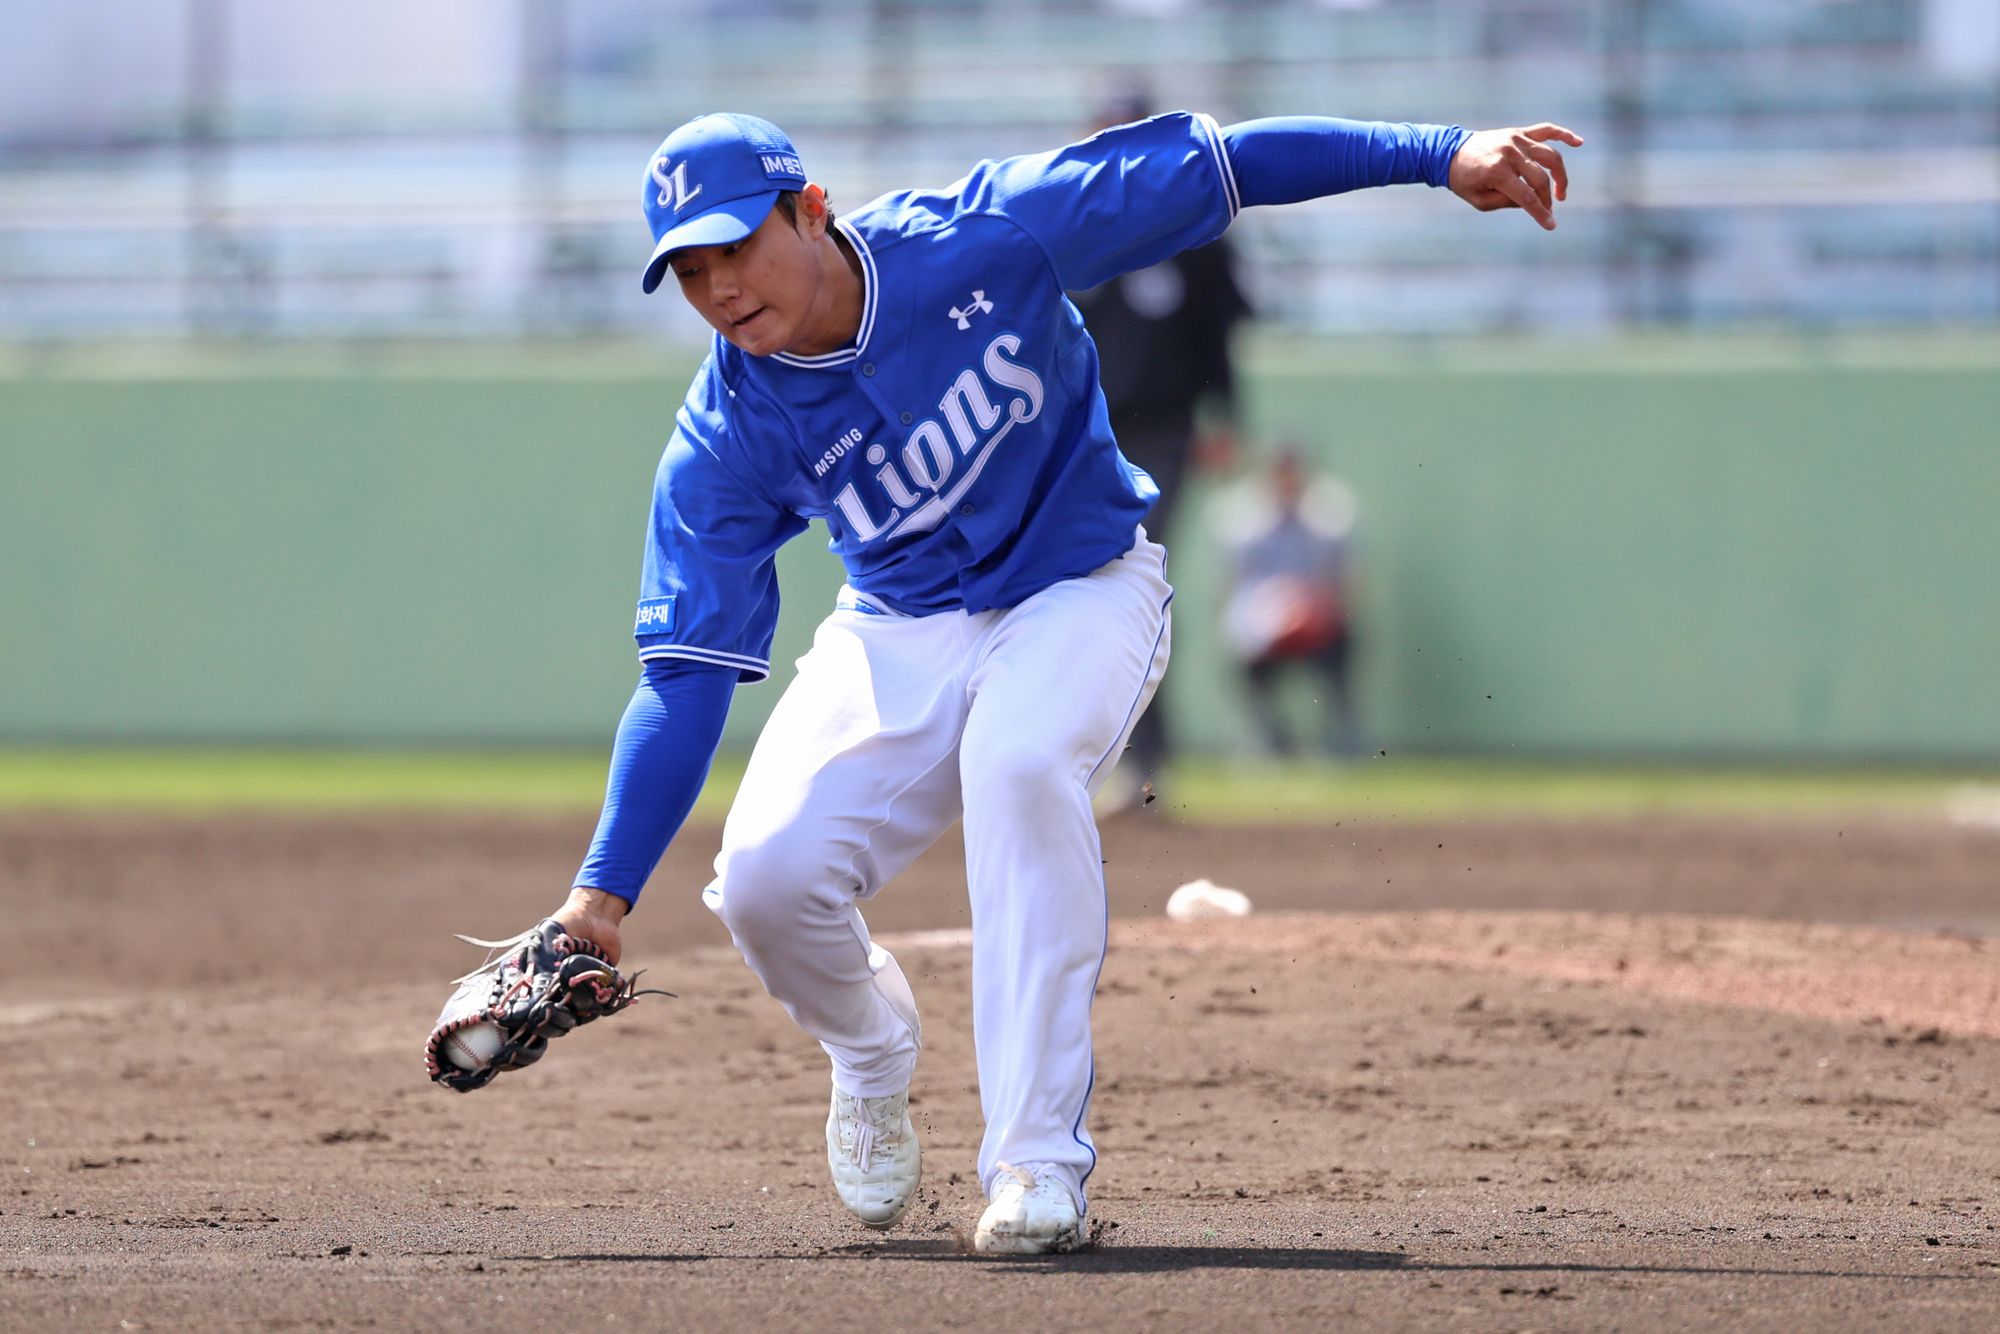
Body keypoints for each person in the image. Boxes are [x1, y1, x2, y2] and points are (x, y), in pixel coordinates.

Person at [505, 108, 1580, 1254]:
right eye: (689, 268)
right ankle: (870, 1048)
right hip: (903, 622)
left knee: (1016, 763)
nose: (718, 287)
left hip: (1082, 585)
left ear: (810, 209)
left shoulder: (986, 234)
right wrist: (597, 900)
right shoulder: (723, 434)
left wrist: (1437, 153)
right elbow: (682, 676)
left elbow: (1222, 167)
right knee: (767, 881)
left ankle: (1034, 1163)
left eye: (736, 245)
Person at [1067, 86, 1252, 809]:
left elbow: (1218, 333)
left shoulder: (1196, 230)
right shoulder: (1072, 223)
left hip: (1167, 428)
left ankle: (1148, 767)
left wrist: (1226, 417)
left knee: (1136, 576)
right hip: (1087, 434)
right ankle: (1097, 763)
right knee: (1085, 586)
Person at [1219, 447, 1362, 758]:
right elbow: (1235, 585)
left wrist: (1319, 609)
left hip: (1316, 621)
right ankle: (1271, 739)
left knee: (1343, 645)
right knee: (1244, 658)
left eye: (1291, 471)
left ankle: (1342, 740)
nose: (1285, 480)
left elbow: (1345, 582)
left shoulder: (1327, 517)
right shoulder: (1245, 521)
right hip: (1266, 624)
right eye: (1278, 472)